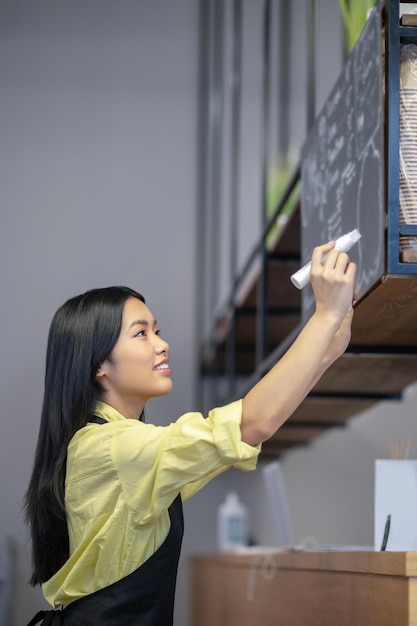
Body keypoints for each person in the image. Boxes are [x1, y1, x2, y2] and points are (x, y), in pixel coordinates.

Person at [25, 241, 356, 626]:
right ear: (99, 364)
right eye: (141, 334)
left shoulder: (119, 447)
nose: (162, 344)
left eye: (157, 330)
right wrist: (324, 317)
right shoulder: (115, 450)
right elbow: (252, 424)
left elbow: (238, 438)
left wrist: (328, 348)